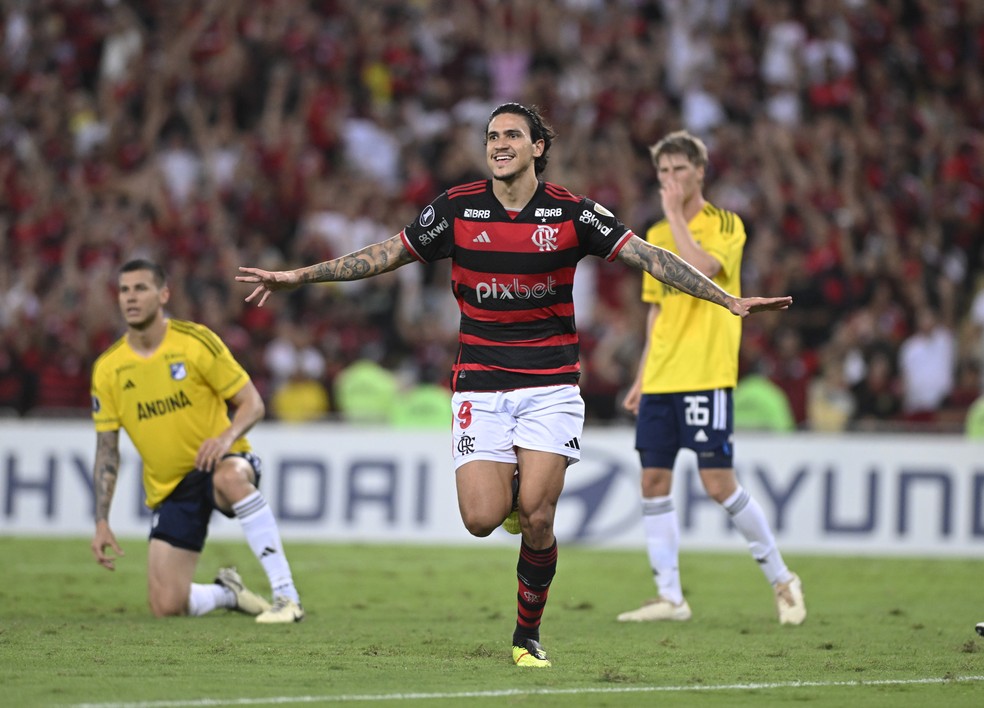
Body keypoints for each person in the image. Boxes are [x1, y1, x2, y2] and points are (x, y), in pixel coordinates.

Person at [237, 104, 792, 666]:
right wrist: (299, 276)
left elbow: (649, 256)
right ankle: (514, 489)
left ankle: (526, 636)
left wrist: (726, 299)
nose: (498, 144)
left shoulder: (572, 212)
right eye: (491, 136)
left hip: (550, 386)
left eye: (511, 135)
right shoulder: (456, 208)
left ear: (537, 147)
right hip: (480, 384)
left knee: (538, 517)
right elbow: (386, 253)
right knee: (482, 519)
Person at [617, 130, 806, 626]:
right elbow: (656, 311)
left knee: (719, 483)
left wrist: (676, 216)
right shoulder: (655, 232)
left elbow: (702, 267)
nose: (671, 179)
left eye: (679, 169)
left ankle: (782, 578)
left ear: (700, 172)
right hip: (662, 376)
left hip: (705, 373)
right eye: (663, 172)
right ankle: (670, 597)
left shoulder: (726, 223)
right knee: (652, 479)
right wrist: (641, 375)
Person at [90, 259, 304, 623]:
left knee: (230, 477)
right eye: (124, 290)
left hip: (222, 461)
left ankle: (287, 596)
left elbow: (252, 404)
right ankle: (227, 593)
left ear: (163, 295)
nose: (131, 297)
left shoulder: (195, 342)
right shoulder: (108, 369)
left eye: (140, 288)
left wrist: (225, 438)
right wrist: (101, 521)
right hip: (172, 488)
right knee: (166, 605)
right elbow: (107, 450)